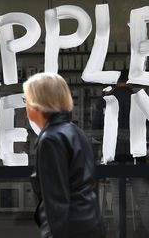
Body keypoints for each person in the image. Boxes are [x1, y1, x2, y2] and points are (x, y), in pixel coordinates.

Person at [24, 72, 104, 238]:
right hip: (89, 223)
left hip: (69, 229)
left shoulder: (51, 139)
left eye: (27, 100)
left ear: (38, 104)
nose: (26, 106)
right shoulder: (75, 131)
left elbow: (56, 202)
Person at [91, 72, 149, 237]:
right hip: (137, 156)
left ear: (115, 82)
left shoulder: (105, 101)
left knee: (117, 198)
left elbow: (95, 131)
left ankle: (120, 234)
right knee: (142, 197)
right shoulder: (141, 100)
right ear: (131, 81)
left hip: (113, 155)